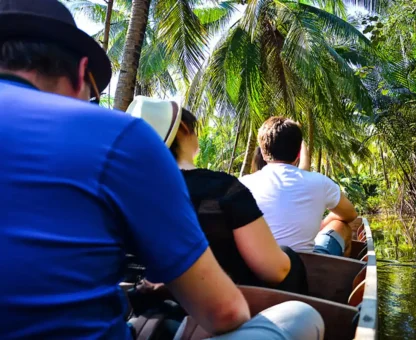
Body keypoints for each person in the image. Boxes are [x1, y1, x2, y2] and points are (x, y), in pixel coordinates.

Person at [0, 2, 323, 339]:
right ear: (82, 72)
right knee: (302, 315)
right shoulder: (120, 140)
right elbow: (225, 311)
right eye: (93, 94)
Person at [126, 97, 308, 294]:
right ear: (184, 129)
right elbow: (275, 271)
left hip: (138, 308)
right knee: (288, 260)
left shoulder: (123, 193)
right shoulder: (222, 188)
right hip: (211, 312)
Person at [240, 117, 358, 257]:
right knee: (342, 226)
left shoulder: (242, 184)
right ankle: (335, 277)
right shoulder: (320, 182)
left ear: (263, 153)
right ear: (297, 154)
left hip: (257, 267)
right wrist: (324, 224)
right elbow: (351, 215)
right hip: (308, 268)